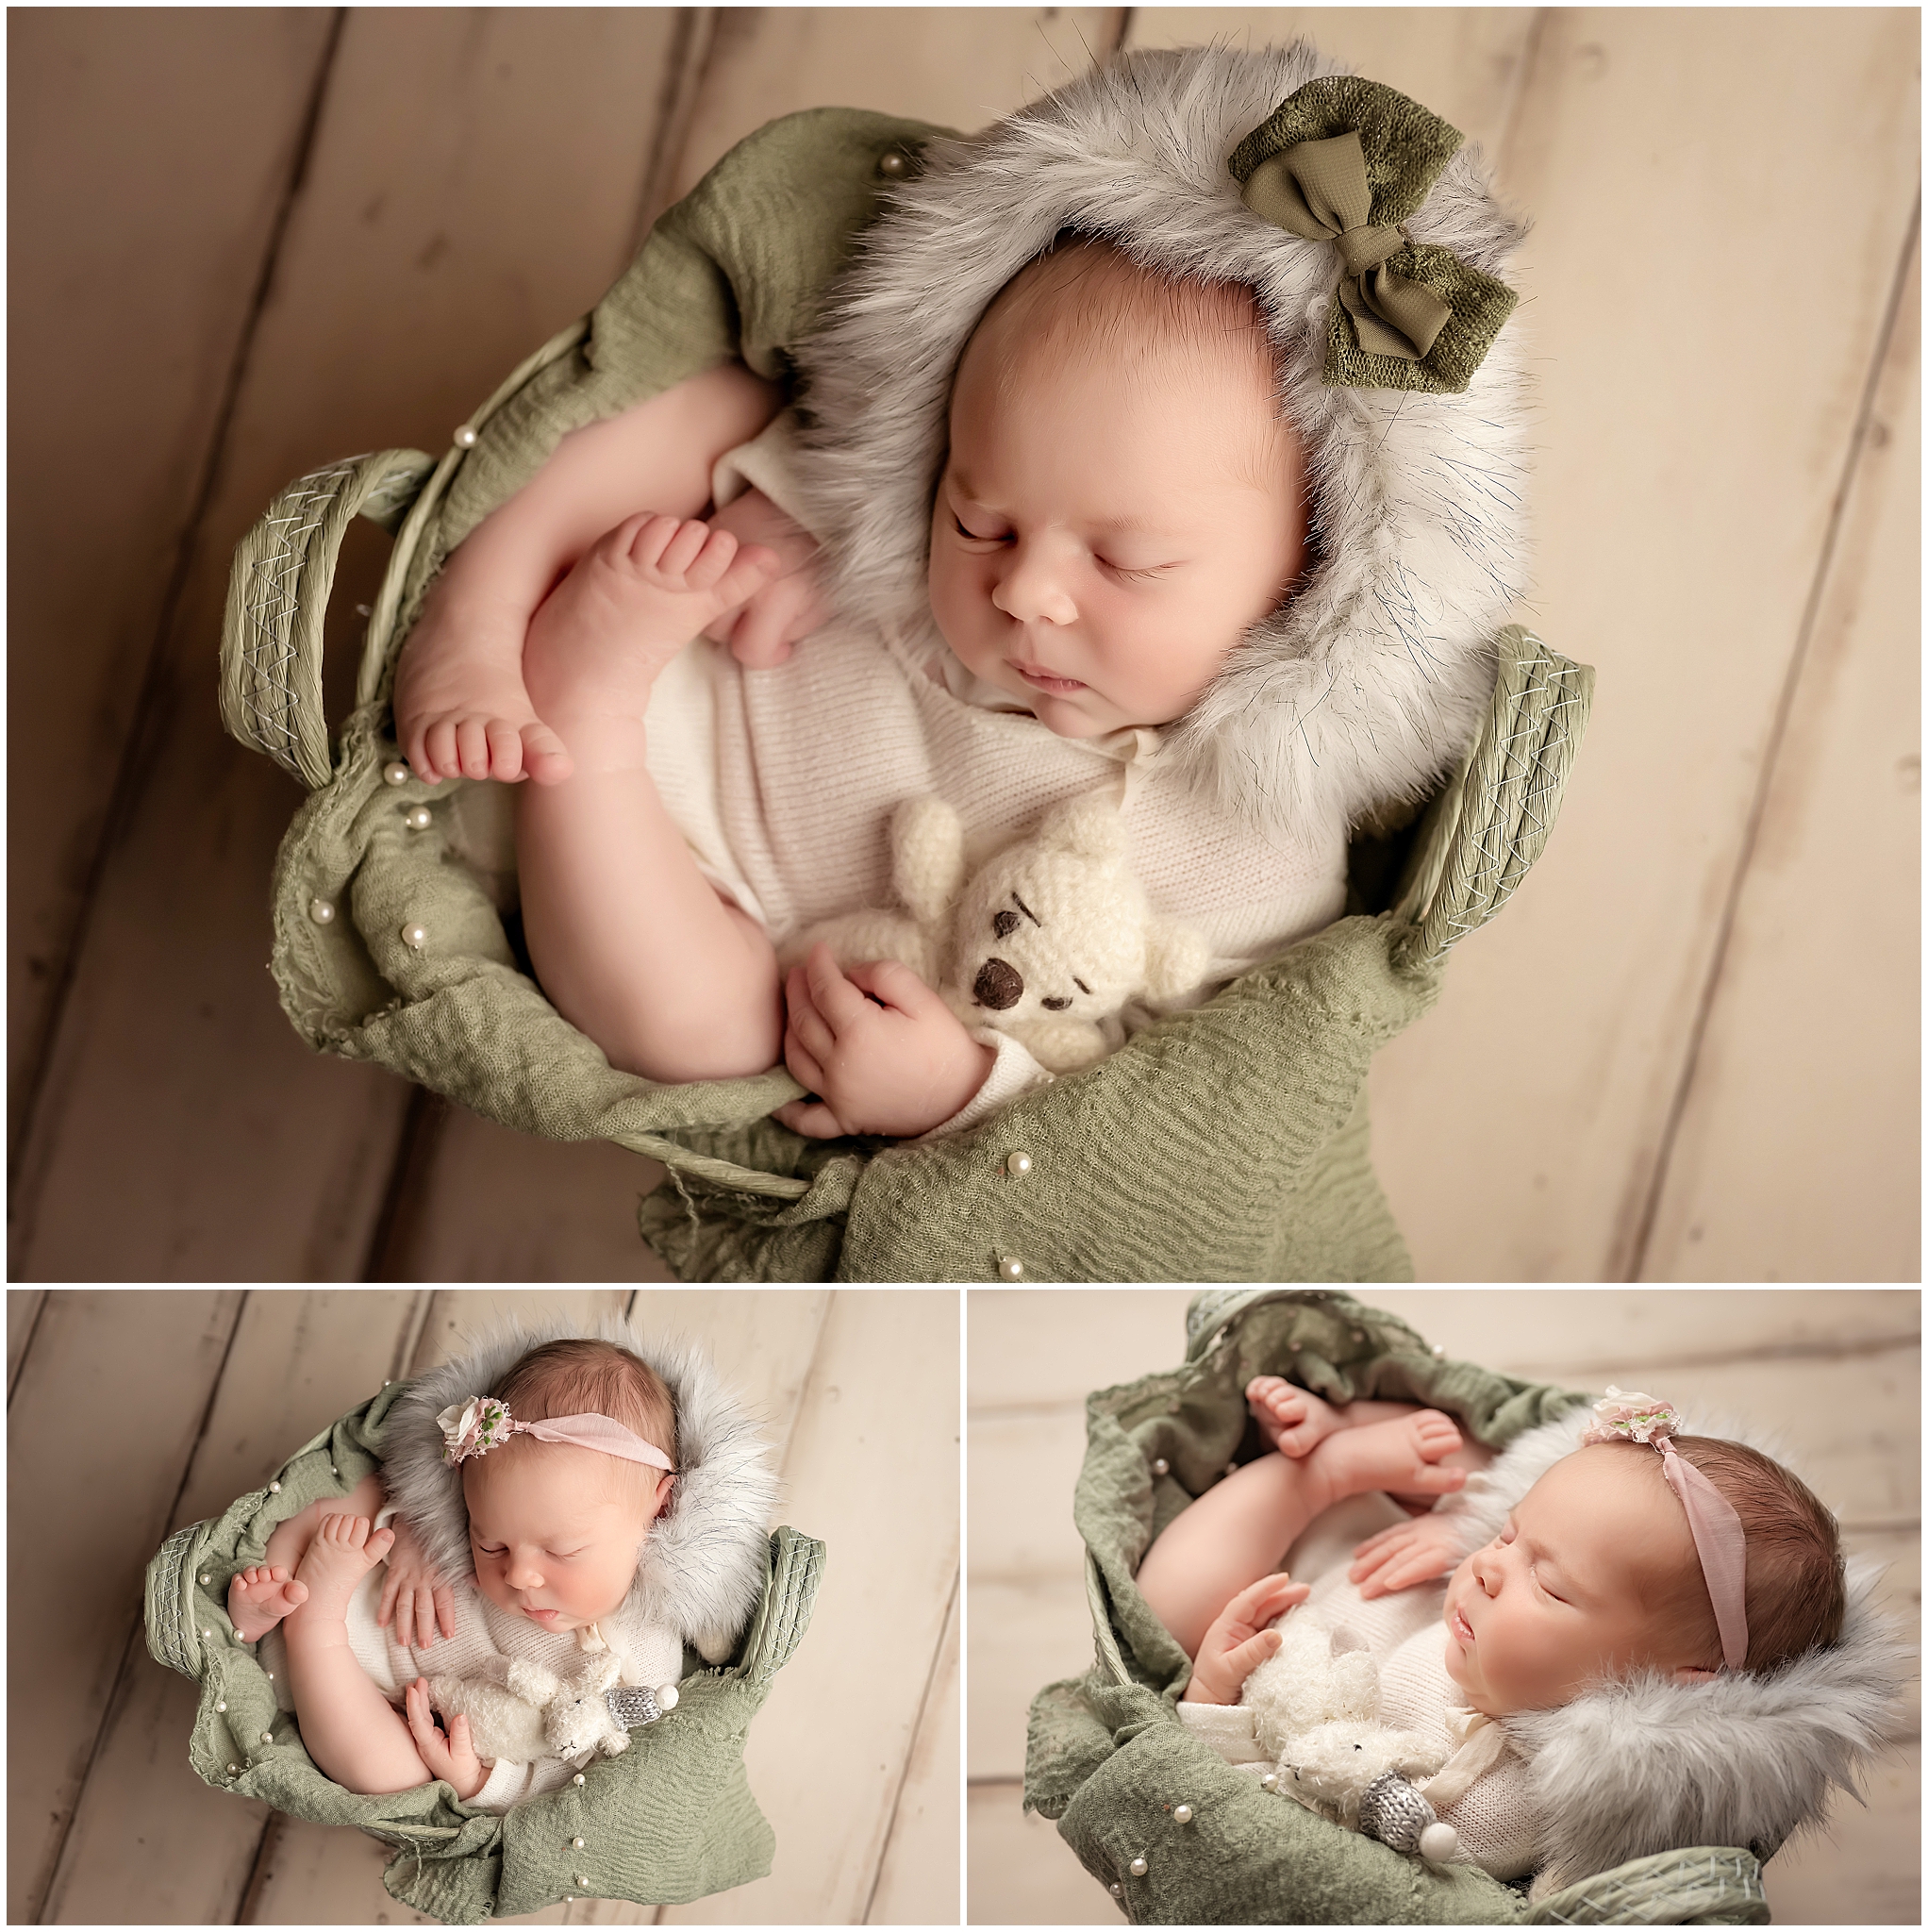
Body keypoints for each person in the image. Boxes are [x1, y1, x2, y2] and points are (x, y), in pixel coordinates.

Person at [388, 46, 1529, 1141]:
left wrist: (963, 1087)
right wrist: (811, 514)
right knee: (716, 400)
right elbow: (829, 453)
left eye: (1122, 561)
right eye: (978, 517)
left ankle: (583, 706)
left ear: (1312, 580)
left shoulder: (1257, 854)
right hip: (690, 658)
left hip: (696, 888)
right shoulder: (892, 524)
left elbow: (1143, 1105)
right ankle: (484, 602)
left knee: (701, 1031)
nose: (1024, 587)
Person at [1139, 1380, 1848, 1881]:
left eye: (1549, 1583)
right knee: (1466, 1468)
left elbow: (1285, 1809)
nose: (1487, 1568)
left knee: (1165, 1606)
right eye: (1508, 1537)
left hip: (1264, 1591)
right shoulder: (1485, 1591)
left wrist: (1210, 1695)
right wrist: (1456, 1524)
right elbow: (1524, 1513)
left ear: (1669, 1678)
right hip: (1379, 1548)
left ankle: (1321, 1469)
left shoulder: (1498, 1809)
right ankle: (1346, 1440)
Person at [229, 1337, 728, 1811]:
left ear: (660, 1511)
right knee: (354, 1494)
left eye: (562, 1551)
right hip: (356, 1568)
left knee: (390, 1775)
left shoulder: (648, 1660)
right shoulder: (473, 1513)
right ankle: (260, 1607)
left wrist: (480, 1781)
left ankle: (309, 1623)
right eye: (490, 1542)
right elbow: (424, 1502)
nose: (519, 1575)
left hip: (356, 1687)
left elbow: (575, 1772)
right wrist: (416, 1534)